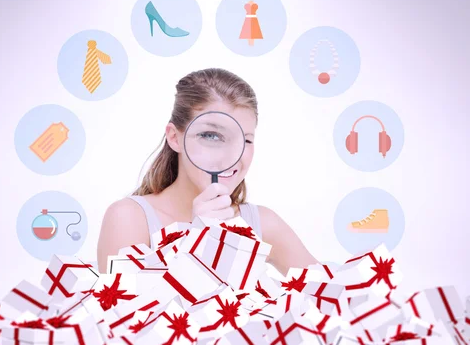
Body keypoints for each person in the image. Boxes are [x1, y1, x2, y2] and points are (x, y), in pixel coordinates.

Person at [97, 68, 318, 276]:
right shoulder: (129, 218)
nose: (231, 155)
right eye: (212, 136)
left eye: (246, 140)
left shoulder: (263, 223)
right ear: (174, 138)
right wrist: (195, 241)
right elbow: (124, 312)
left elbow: (331, 295)